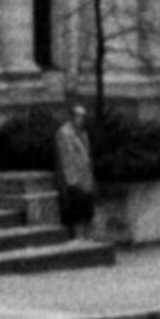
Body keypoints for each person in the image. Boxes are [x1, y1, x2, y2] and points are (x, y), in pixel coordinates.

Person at [51, 104, 97, 244]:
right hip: (73, 179)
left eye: (83, 116)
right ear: (72, 117)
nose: (82, 120)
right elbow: (66, 158)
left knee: (86, 209)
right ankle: (76, 237)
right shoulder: (64, 133)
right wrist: (72, 180)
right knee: (76, 207)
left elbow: (86, 156)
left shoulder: (82, 133)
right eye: (79, 116)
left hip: (85, 177)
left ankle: (86, 236)